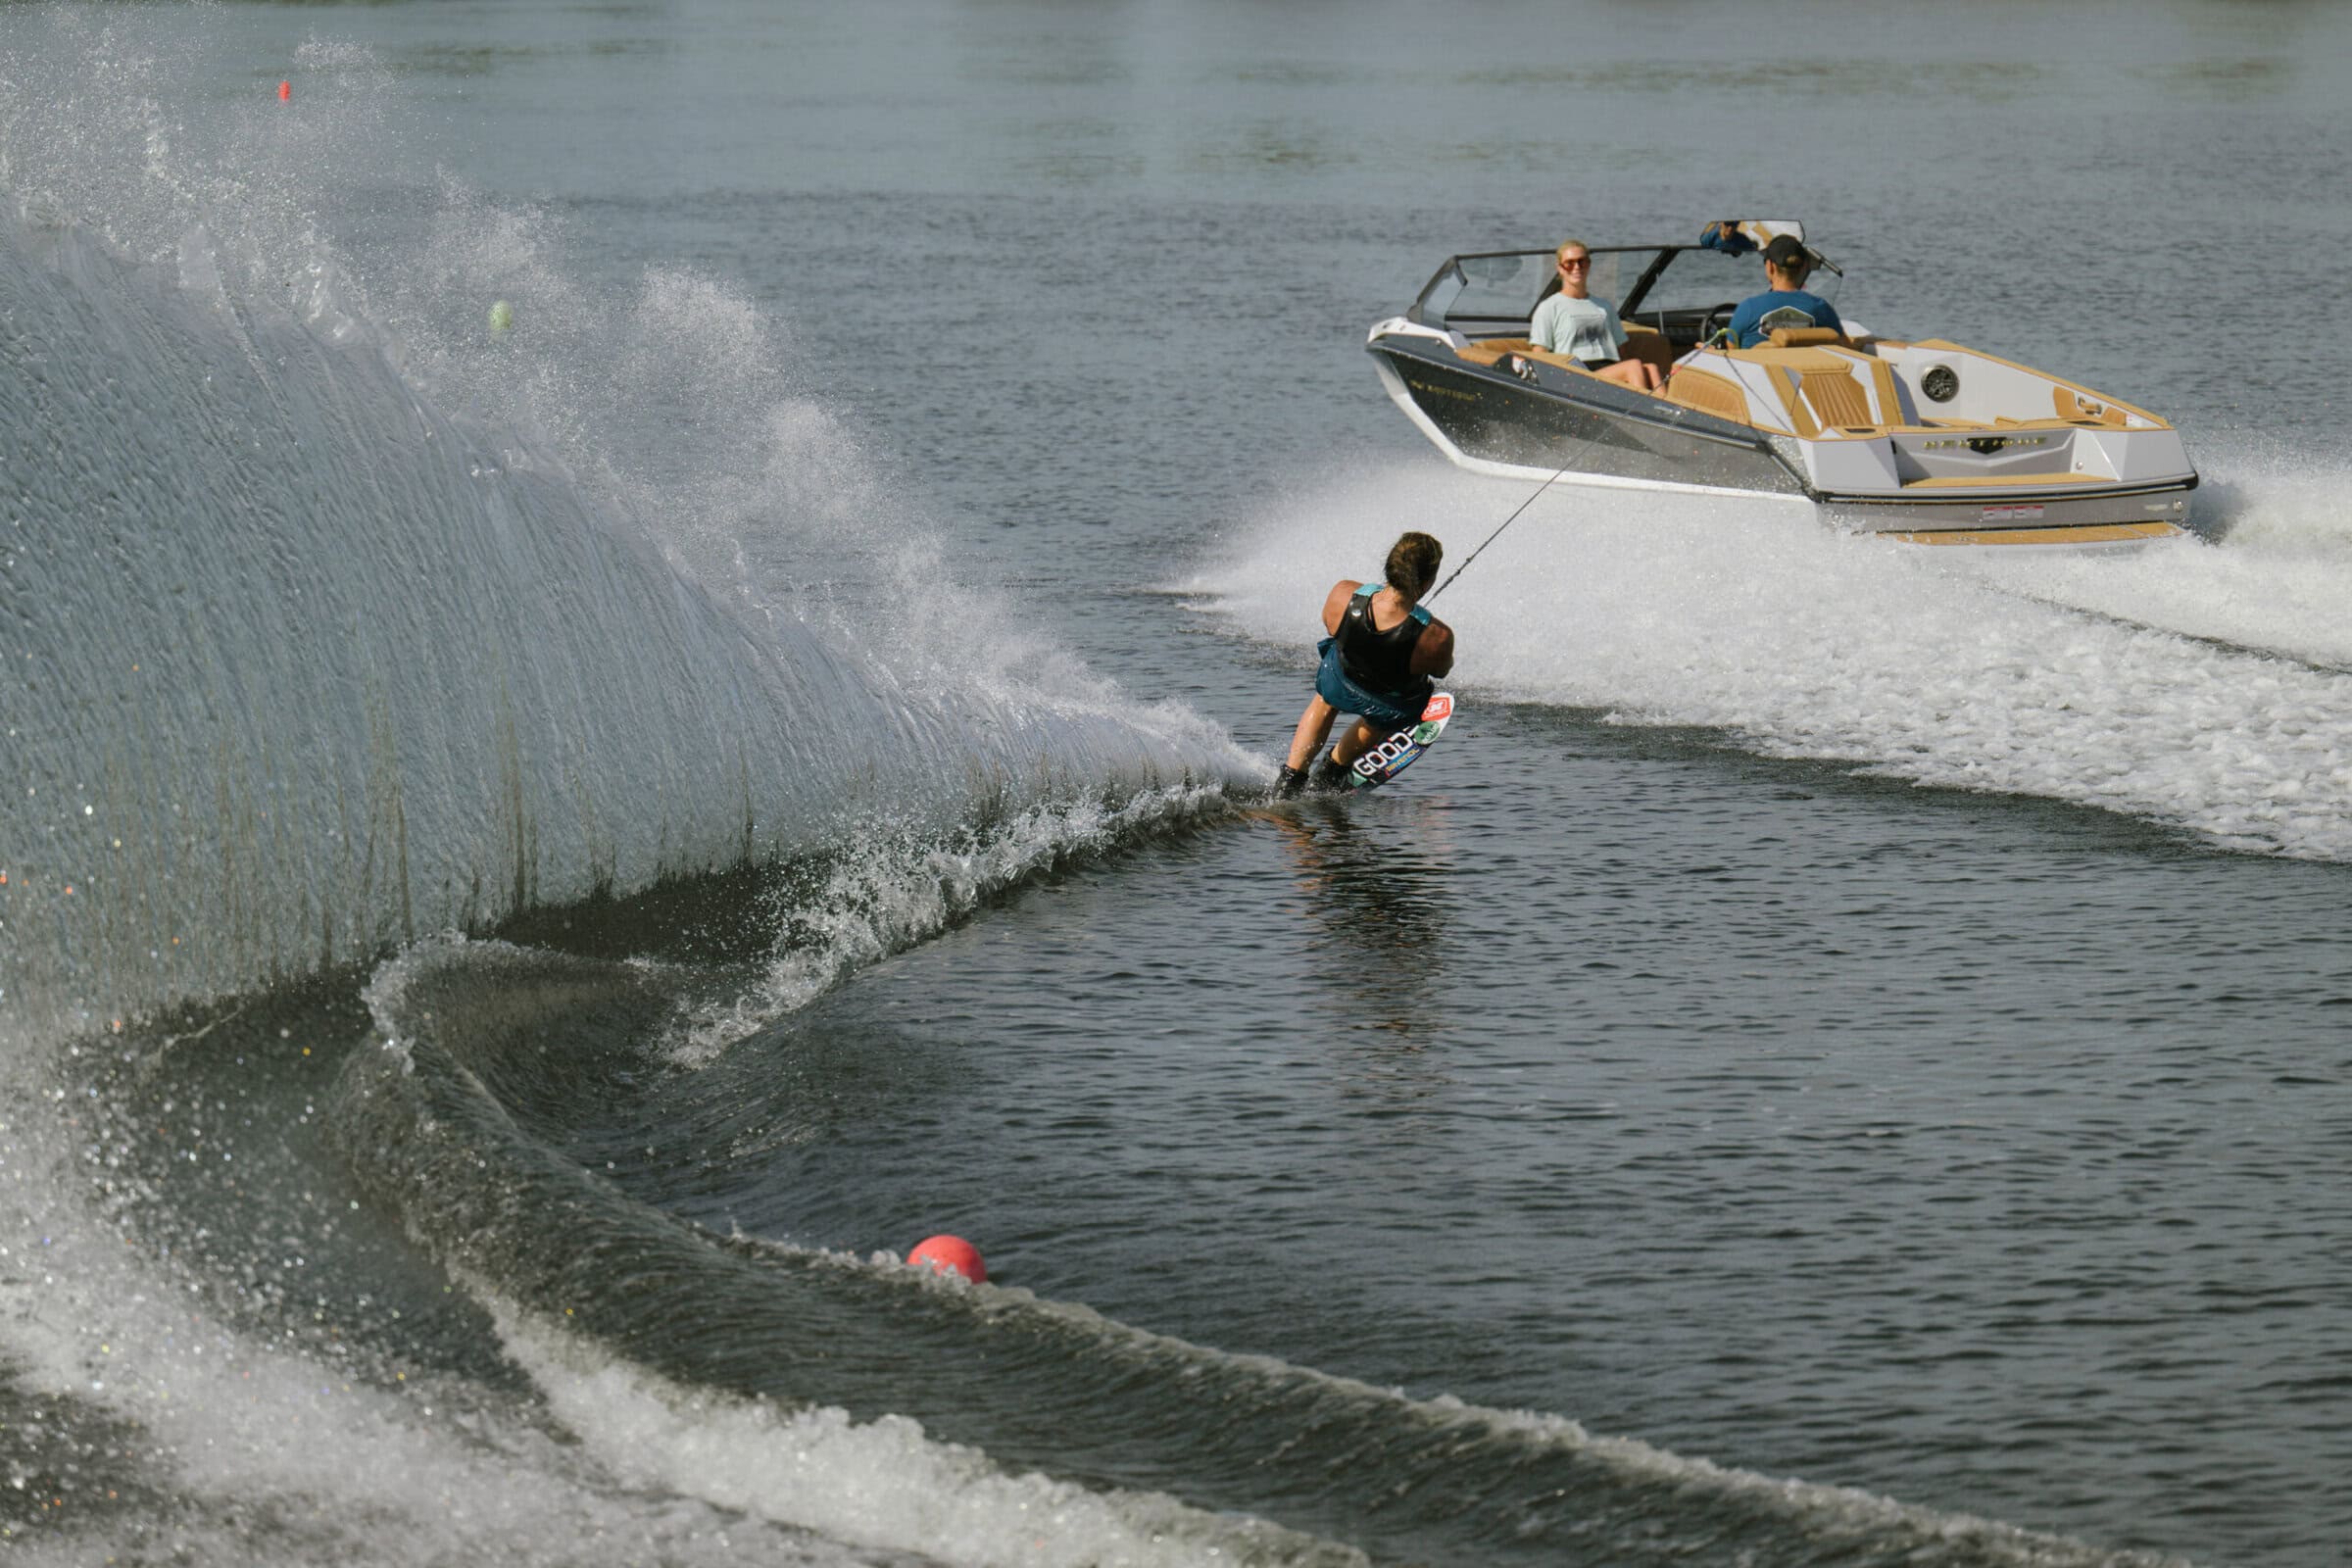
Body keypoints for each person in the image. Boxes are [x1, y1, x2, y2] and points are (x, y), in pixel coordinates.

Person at [1276, 531, 1456, 796]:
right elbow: (1440, 671)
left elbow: (1329, 624)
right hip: (1387, 704)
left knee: (1325, 700)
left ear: (1389, 566)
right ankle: (1333, 769)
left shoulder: (1343, 593)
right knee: (1386, 714)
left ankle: (1291, 778)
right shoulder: (1437, 636)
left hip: (1339, 681)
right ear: (1428, 581)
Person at [1527, 240, 1666, 391]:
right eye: (1569, 263)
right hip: (1574, 372)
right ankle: (1643, 412)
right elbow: (1539, 355)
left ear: (1589, 264)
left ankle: (1671, 414)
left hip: (1609, 368)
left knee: (1651, 368)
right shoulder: (1549, 307)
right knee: (1633, 366)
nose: (1577, 268)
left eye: (1582, 262)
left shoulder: (1604, 306)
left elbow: (1622, 351)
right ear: (1560, 268)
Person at [1722, 233, 1845, 349]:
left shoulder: (1748, 308)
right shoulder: (1822, 309)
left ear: (1770, 266)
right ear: (1803, 268)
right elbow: (1844, 347)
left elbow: (1732, 351)